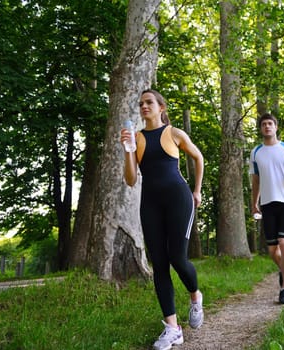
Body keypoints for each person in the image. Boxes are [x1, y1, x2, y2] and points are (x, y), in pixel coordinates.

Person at [121, 89, 204, 350]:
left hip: (179, 199)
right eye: (141, 103)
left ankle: (195, 295)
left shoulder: (174, 133)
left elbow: (198, 157)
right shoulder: (136, 138)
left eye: (149, 102)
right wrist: (127, 150)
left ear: (161, 107)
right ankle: (172, 328)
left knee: (178, 258)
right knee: (159, 264)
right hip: (151, 204)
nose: (144, 106)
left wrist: (197, 191)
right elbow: (132, 180)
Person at [249, 113, 284, 305]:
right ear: (261, 128)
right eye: (263, 124)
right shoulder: (256, 152)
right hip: (267, 204)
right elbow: (255, 180)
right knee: (272, 250)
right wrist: (254, 202)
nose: (267, 127)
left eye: (270, 123)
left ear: (276, 127)